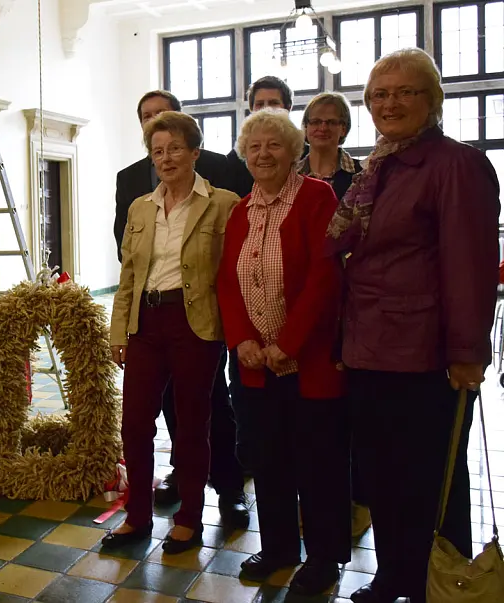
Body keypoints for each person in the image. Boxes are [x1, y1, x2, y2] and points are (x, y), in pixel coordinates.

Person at [327, 48, 500, 603]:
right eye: (379, 94)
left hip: (425, 357)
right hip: (367, 349)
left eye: (405, 92)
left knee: (433, 482)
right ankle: (394, 574)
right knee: (381, 476)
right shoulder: (377, 166)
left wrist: (467, 352)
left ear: (433, 100)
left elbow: (470, 265)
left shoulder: (456, 165)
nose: (390, 103)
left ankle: (438, 583)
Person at [218, 109, 350, 596]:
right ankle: (277, 548)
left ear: (294, 150)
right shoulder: (240, 211)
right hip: (255, 365)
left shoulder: (317, 197)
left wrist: (286, 344)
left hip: (308, 362)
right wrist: (243, 340)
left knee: (318, 463)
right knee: (267, 459)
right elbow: (227, 282)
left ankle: (324, 558)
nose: (263, 154)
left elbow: (324, 278)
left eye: (273, 145)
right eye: (254, 147)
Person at [113, 90, 247, 527]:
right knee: (135, 424)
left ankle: (190, 516)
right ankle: (137, 516)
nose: (166, 158)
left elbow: (235, 273)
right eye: (158, 151)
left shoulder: (224, 203)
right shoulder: (141, 207)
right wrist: (118, 331)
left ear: (195, 152)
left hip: (195, 324)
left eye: (174, 149)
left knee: (193, 425)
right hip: (145, 323)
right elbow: (129, 275)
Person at [296, 92, 370, 539]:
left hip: (349, 300)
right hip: (301, 297)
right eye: (315, 121)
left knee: (349, 409)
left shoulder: (361, 175)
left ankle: (356, 501)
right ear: (305, 128)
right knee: (309, 413)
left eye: (331, 121)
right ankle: (314, 500)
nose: (322, 128)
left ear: (344, 128)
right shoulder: (290, 173)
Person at [224, 76, 295, 198]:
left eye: (273, 103)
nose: (266, 109)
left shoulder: (305, 152)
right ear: (252, 109)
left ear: (288, 108)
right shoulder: (235, 159)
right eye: (260, 104)